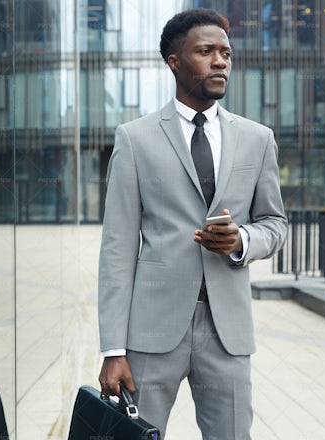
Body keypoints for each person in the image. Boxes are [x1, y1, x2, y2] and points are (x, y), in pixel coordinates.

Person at [97, 8, 287, 439]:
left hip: (228, 334)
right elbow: (117, 248)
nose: (220, 61)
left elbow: (275, 223)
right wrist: (113, 349)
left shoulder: (258, 139)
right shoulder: (135, 138)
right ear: (175, 61)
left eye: (226, 52)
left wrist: (241, 239)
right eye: (206, 51)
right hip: (150, 332)